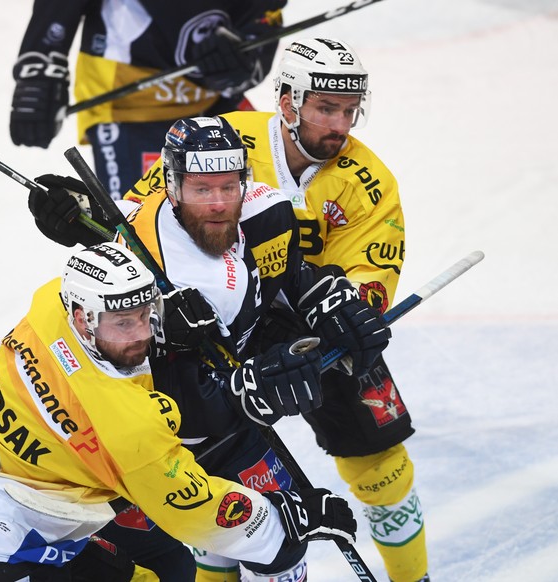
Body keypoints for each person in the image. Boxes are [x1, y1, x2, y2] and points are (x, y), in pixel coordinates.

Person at [27, 117, 392, 581]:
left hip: (232, 423)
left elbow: (289, 274)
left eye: (228, 186)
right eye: (202, 190)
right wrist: (250, 387)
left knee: (283, 557)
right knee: (207, 548)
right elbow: (149, 396)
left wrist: (322, 300)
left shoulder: (267, 210)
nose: (219, 205)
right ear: (173, 187)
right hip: (161, 449)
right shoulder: (146, 266)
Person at [120, 39, 430, 582]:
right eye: (326, 108)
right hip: (220, 325)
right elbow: (139, 216)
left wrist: (353, 313)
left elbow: (370, 272)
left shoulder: (369, 181)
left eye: (349, 109)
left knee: (381, 462)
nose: (340, 124)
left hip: (316, 323)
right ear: (288, 101)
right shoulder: (221, 143)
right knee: (213, 478)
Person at [0, 242, 358, 582]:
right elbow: (201, 515)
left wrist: (165, 318)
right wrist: (287, 516)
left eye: (145, 315)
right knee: (169, 562)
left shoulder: (49, 305)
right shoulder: (131, 430)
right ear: (83, 318)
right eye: (125, 323)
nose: (141, 334)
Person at [9, 0, 285, 199]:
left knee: (265, 203)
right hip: (128, 104)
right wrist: (40, 72)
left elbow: (262, 18)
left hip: (212, 99)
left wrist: (243, 59)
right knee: (139, 230)